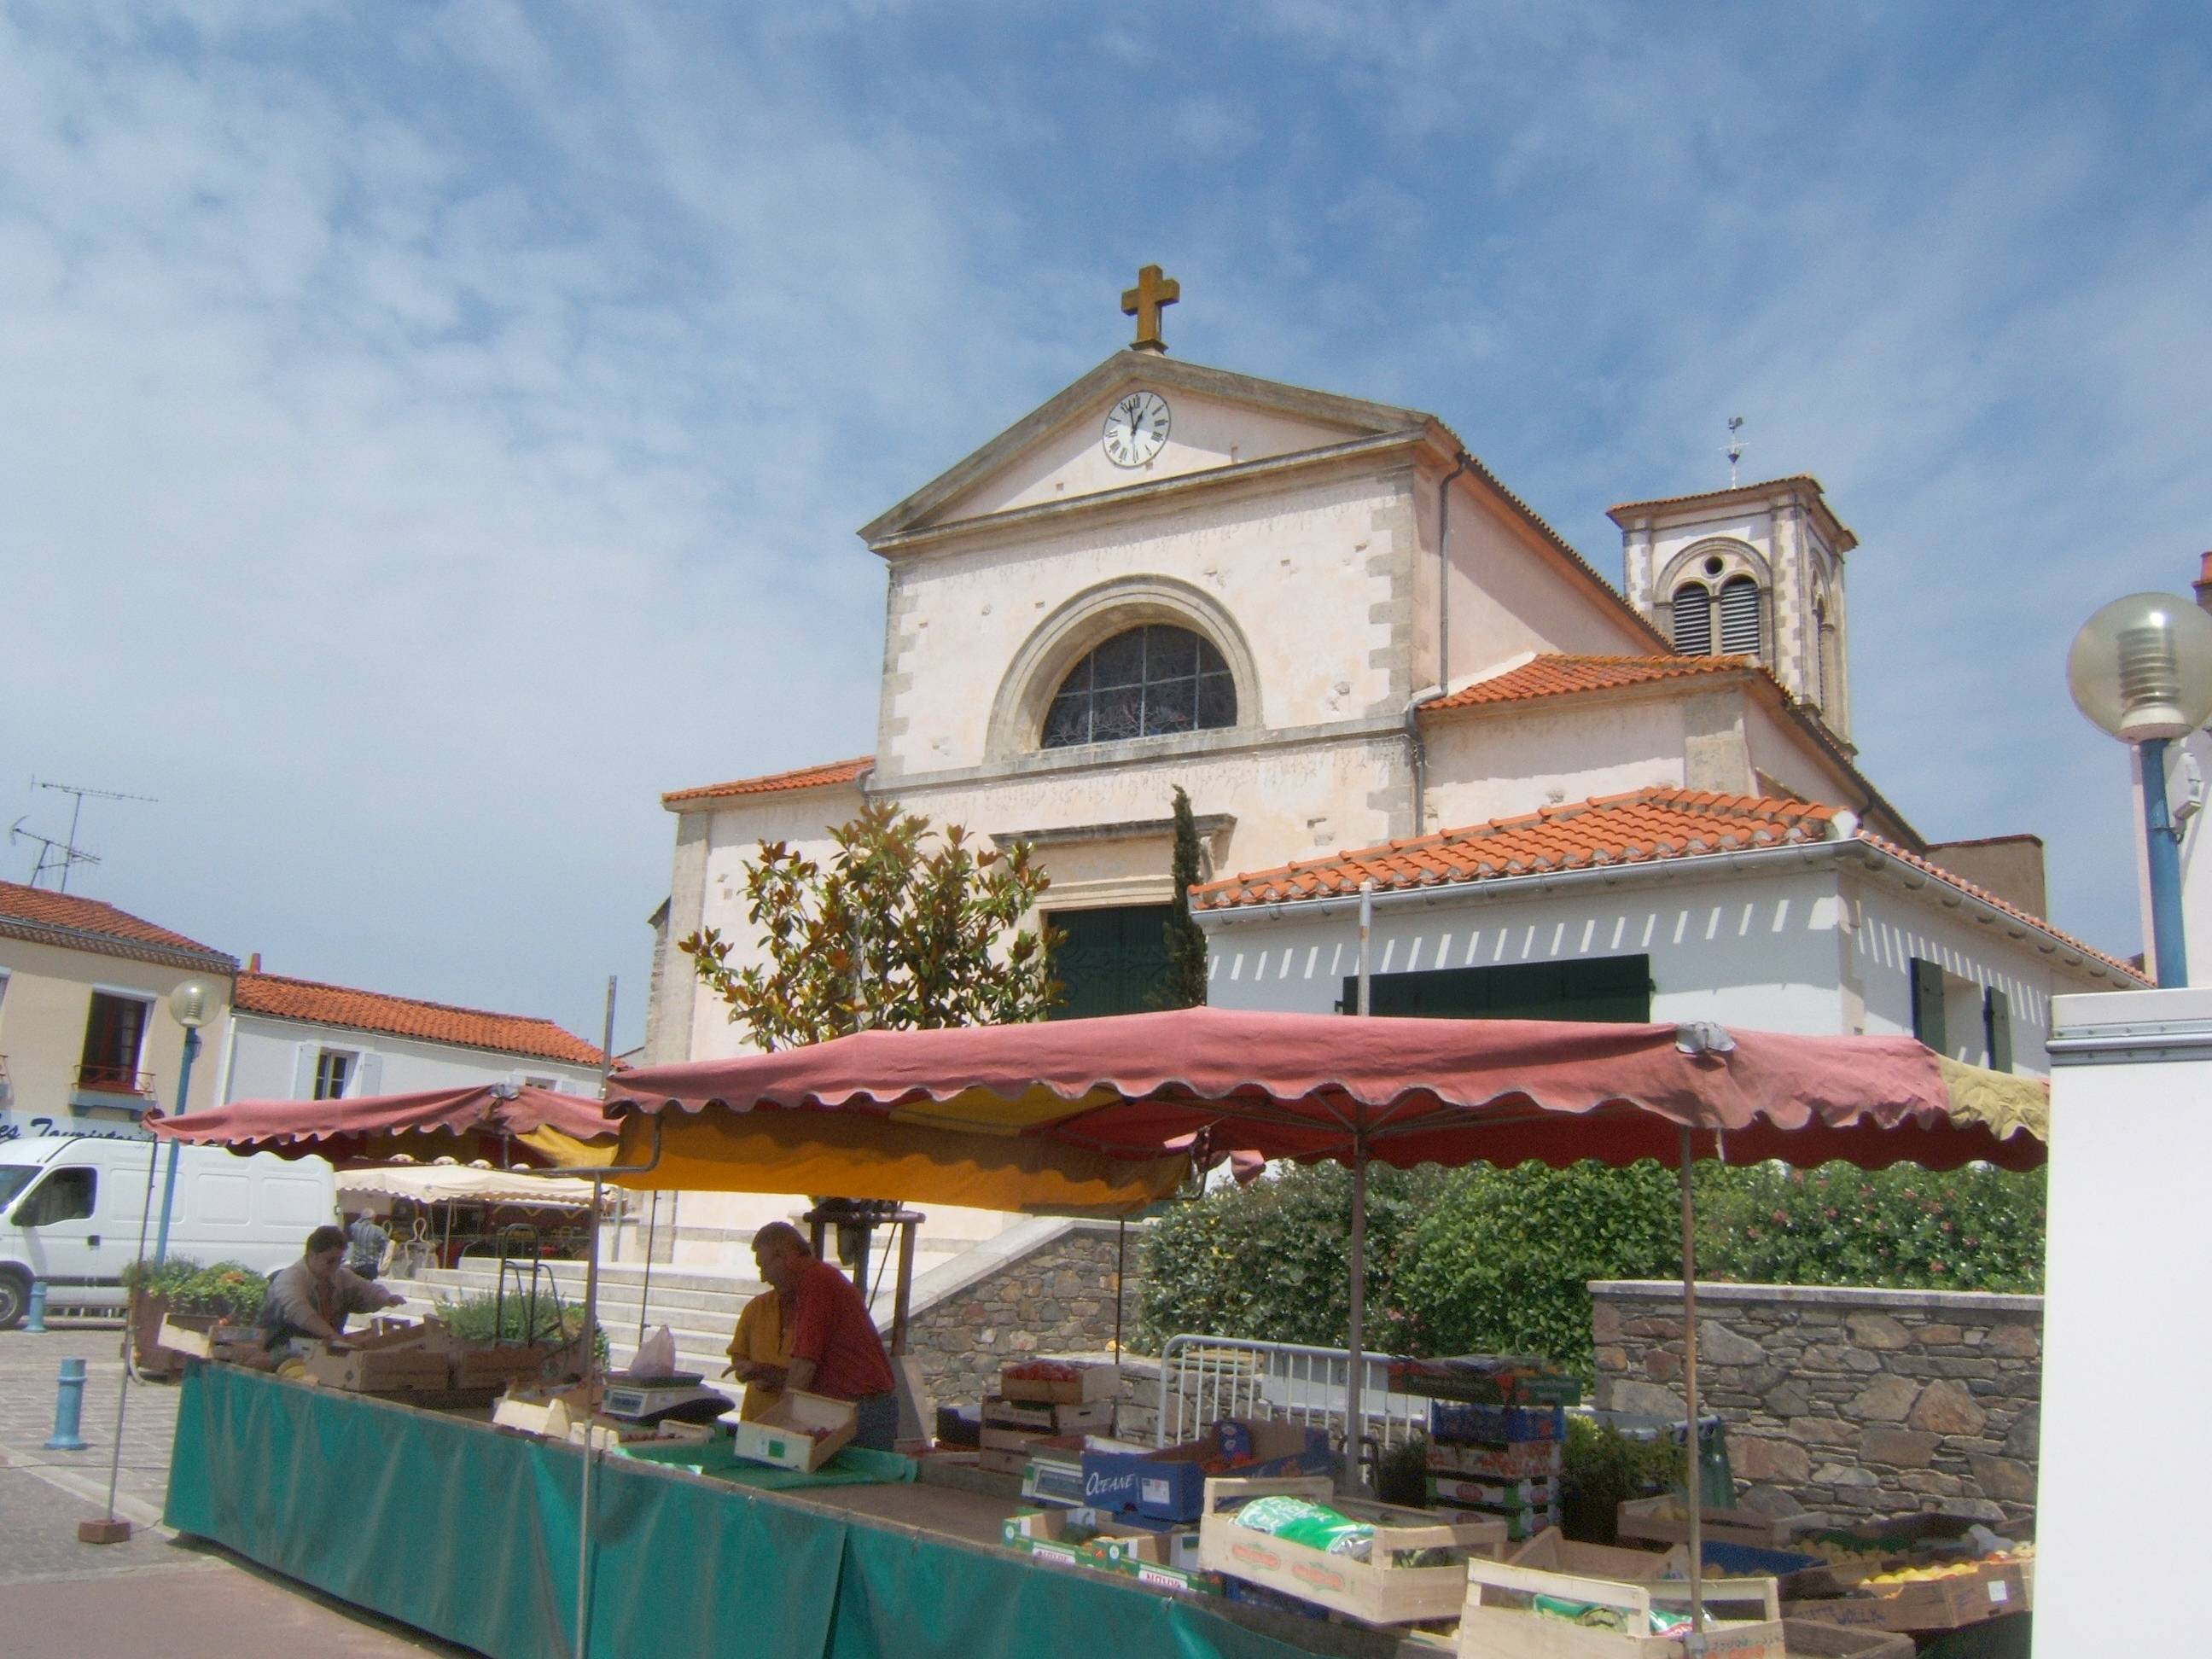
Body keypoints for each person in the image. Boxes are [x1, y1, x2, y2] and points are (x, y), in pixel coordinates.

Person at [749, 1221, 899, 1450]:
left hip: (861, 1410)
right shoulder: (818, 1282)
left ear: (785, 1257)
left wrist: (778, 1424)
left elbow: (805, 1366)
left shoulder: (817, 1284)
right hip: (854, 1406)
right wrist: (764, 1372)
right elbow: (813, 1368)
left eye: (763, 1267)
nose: (763, 1277)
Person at [259, 1224, 405, 1352]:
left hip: (319, 1351)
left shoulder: (340, 1275)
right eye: (330, 1261)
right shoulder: (290, 1278)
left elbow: (367, 1289)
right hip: (280, 1350)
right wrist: (336, 1338)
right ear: (312, 1255)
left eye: (339, 1260)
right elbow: (300, 1312)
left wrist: (386, 1298)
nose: (335, 1266)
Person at [721, 1278, 794, 1422]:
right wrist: (746, 1370)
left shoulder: (816, 1312)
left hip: (798, 1425)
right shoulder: (757, 1306)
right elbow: (739, 1353)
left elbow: (812, 1377)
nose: (764, 1277)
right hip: (755, 1420)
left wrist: (765, 1372)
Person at [344, 1209, 391, 1280]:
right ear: (374, 1217)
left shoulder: (354, 1227)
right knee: (368, 1287)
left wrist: (362, 1218)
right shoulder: (379, 1230)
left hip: (356, 1265)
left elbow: (354, 1224)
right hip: (371, 1266)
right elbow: (387, 1247)